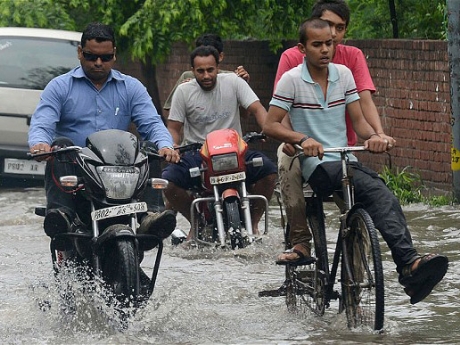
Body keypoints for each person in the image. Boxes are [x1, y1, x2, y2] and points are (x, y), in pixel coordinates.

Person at [263, 17, 448, 305]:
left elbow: (359, 122)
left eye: (329, 43)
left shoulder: (344, 75)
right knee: (371, 187)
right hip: (316, 164)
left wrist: (376, 137)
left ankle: (408, 265)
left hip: (346, 159)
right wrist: (302, 139)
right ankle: (408, 265)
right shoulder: (292, 80)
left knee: (383, 195)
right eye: (317, 44)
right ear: (302, 48)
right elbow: (270, 125)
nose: (325, 49)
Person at [28, 22, 180, 251]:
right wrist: (40, 144)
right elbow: (43, 121)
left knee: (149, 146)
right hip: (77, 172)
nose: (98, 63)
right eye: (91, 56)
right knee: (59, 145)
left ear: (114, 55)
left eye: (105, 57)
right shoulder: (59, 86)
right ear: (80, 53)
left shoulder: (131, 87)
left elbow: (152, 123)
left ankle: (150, 215)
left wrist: (166, 145)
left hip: (121, 172)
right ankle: (62, 215)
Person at [275, 0, 396, 264]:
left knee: (356, 204)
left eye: (339, 30)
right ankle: (300, 241)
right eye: (328, 27)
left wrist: (378, 134)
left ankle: (357, 270)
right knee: (289, 170)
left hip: (341, 147)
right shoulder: (292, 61)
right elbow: (279, 111)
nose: (332, 37)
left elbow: (364, 104)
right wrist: (295, 138)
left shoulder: (350, 60)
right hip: (298, 142)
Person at [162, 45, 277, 241]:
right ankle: (195, 223)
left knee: (269, 171)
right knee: (168, 182)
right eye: (200, 71)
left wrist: (267, 128)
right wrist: (173, 148)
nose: (206, 75)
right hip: (198, 154)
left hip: (235, 151)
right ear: (192, 70)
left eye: (210, 70)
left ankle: (254, 221)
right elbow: (173, 127)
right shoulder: (183, 91)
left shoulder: (234, 82)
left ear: (218, 67)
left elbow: (257, 109)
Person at [162, 33, 250, 118]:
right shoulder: (187, 77)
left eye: (210, 54)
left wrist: (244, 84)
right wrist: (183, 96)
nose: (206, 76)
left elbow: (245, 114)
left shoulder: (232, 79)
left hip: (226, 133)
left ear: (220, 56)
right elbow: (172, 113)